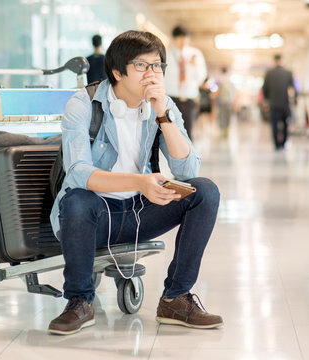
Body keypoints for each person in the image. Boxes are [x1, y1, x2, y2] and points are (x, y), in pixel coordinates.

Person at [47, 30, 223, 335]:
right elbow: (78, 173)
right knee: (76, 200)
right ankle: (79, 301)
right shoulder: (83, 104)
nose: (152, 74)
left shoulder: (161, 103)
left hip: (140, 212)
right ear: (118, 71)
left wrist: (162, 115)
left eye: (157, 66)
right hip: (94, 216)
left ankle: (175, 298)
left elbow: (188, 167)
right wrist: (140, 182)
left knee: (205, 190)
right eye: (143, 66)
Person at [164, 25, 207, 141]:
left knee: (188, 130)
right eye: (180, 38)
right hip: (171, 98)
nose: (183, 41)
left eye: (185, 38)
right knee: (170, 130)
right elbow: (162, 77)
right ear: (174, 39)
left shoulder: (196, 54)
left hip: (189, 98)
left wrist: (195, 66)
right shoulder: (167, 55)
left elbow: (201, 78)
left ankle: (188, 157)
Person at [262, 54, 296, 150]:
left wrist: (267, 99)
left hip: (273, 103)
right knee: (285, 124)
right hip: (285, 103)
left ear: (274, 61)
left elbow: (264, 89)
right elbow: (293, 88)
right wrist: (294, 101)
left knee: (274, 125)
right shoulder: (288, 73)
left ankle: (277, 144)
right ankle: (284, 142)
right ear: (282, 60)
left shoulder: (269, 73)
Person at [216, 67, 233, 138]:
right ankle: (227, 131)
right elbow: (233, 91)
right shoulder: (229, 79)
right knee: (228, 116)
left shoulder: (218, 79)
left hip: (221, 101)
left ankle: (222, 132)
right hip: (229, 101)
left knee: (221, 116)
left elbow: (215, 89)